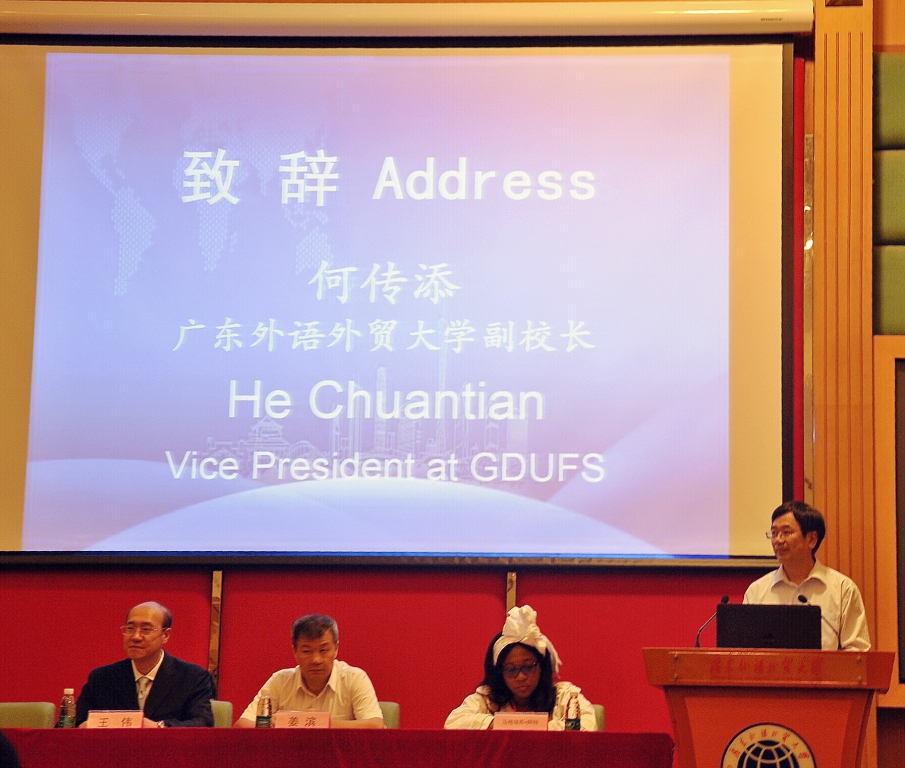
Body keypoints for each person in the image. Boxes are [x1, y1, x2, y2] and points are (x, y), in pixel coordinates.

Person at [444, 605, 596, 730]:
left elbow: (588, 727)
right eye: (511, 669)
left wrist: (531, 726)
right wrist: (499, 723)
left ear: (541, 666)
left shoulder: (565, 695)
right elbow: (453, 723)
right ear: (500, 672)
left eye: (528, 666)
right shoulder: (487, 698)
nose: (521, 676)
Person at [744, 500, 870, 651]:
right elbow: (746, 650)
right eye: (774, 533)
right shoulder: (757, 591)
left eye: (786, 532)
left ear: (811, 539)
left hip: (825, 667)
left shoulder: (843, 589)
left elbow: (857, 652)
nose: (778, 540)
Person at [75, 601, 215, 727]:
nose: (136, 636)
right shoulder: (102, 678)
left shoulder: (193, 677)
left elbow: (203, 722)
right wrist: (83, 726)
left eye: (146, 629)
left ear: (165, 635)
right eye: (130, 628)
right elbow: (75, 723)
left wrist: (160, 727)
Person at [234, 613, 383, 728]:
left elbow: (375, 726)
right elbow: (242, 725)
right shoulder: (280, 681)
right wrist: (270, 724)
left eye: (323, 650)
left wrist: (320, 723)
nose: (316, 660)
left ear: (336, 649)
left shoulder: (354, 678)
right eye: (307, 651)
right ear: (295, 652)